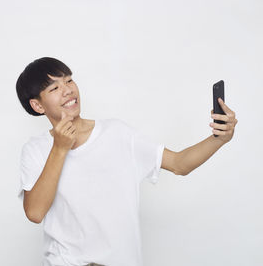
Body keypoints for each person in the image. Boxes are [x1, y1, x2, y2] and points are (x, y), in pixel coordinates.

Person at [15, 57, 238, 266]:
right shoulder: (36, 149)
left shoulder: (117, 133)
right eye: (54, 88)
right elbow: (35, 212)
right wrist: (60, 148)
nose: (68, 90)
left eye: (69, 80)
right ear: (38, 105)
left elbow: (180, 164)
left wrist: (219, 139)